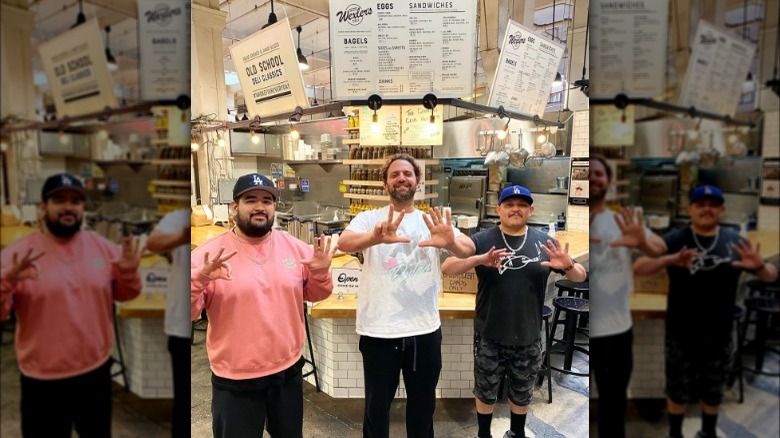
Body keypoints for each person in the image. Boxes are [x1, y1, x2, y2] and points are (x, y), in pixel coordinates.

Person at [338, 153, 475, 438]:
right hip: (379, 331)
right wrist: (374, 238)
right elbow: (343, 242)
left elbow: (468, 249)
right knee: (376, 411)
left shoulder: (431, 220)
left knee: (423, 409)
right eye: (395, 174)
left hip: (424, 330)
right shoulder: (369, 219)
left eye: (408, 174)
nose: (402, 178)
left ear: (417, 181)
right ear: (385, 183)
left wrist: (450, 240)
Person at [190, 173, 334, 438]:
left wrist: (321, 274)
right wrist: (198, 279)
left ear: (274, 207)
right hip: (235, 379)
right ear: (234, 206)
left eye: (267, 200)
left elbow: (315, 293)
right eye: (250, 199)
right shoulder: (208, 256)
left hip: (287, 373)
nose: (260, 206)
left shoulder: (296, 249)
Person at [0, 172, 143, 437]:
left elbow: (125, 294)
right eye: (59, 200)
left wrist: (129, 274)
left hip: (95, 374)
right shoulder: (17, 255)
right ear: (43, 207)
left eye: (75, 201)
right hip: (41, 379)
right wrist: (6, 280)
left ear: (82, 208)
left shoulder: (104, 249)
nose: (68, 206)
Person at [441, 185, 587, 438]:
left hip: (528, 334)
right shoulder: (482, 239)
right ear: (499, 209)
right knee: (485, 390)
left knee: (522, 391)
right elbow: (448, 267)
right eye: (509, 204)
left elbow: (579, 276)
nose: (515, 209)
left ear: (531, 210)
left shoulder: (545, 242)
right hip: (489, 334)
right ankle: (483, 434)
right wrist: (477, 259)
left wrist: (570, 265)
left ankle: (517, 433)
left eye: (521, 205)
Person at [633, 185, 777, 438]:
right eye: (700, 204)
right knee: (677, 389)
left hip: (720, 331)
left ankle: (708, 432)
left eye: (713, 204)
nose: (706, 209)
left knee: (713, 389)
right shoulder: (675, 239)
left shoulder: (736, 241)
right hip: (680, 331)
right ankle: (675, 433)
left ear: (722, 209)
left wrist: (761, 266)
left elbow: (770, 277)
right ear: (690, 209)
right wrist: (669, 259)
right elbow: (641, 267)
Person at [588, 155, 666, 438]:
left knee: (614, 402)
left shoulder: (621, 220)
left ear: (608, 181)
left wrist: (642, 240)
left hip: (617, 330)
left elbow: (659, 249)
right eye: (588, 172)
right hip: (587, 326)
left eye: (599, 173)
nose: (594, 178)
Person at [145, 208, 190, 438]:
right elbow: (152, 243)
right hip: (179, 324)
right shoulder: (178, 217)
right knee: (182, 400)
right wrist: (180, 238)